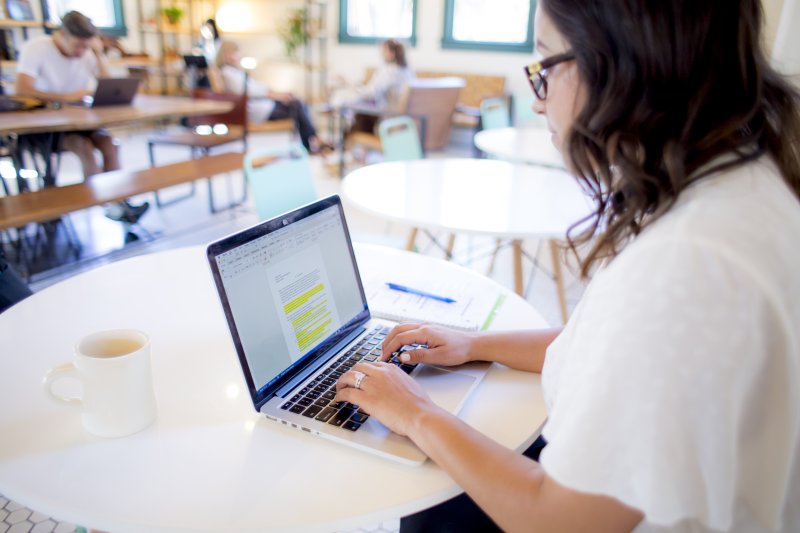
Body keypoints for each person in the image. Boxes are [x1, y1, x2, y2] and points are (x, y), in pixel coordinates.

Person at [334, 1, 800, 532]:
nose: (538, 103)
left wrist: (416, 411)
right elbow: (604, 343)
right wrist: (472, 343)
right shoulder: (742, 182)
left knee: (424, 499)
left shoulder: (685, 267)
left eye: (544, 68)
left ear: (619, 66)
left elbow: (561, 521)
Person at [14, 10, 148, 223]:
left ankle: (120, 201)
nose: (81, 51)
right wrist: (65, 97)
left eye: (86, 46)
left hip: (76, 120)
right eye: (78, 45)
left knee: (108, 143)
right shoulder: (37, 48)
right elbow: (22, 88)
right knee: (83, 147)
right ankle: (102, 204)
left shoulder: (88, 52)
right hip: (42, 125)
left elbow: (108, 84)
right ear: (61, 35)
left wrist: (98, 54)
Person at [215, 40, 332, 154]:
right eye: (235, 52)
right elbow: (251, 91)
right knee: (296, 105)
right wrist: (276, 95)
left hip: (265, 105)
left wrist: (279, 94)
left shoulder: (236, 72)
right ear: (226, 54)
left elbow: (259, 87)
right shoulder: (227, 73)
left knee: (298, 102)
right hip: (258, 111)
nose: (238, 55)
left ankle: (312, 141)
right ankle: (312, 142)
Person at [332, 38, 414, 135]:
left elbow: (368, 94)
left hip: (388, 119)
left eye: (383, 51)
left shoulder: (388, 71)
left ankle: (349, 143)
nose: (381, 54)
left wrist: (347, 82)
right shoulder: (408, 72)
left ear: (391, 54)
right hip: (405, 121)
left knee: (354, 112)